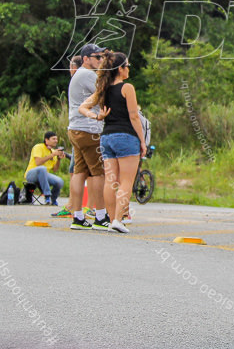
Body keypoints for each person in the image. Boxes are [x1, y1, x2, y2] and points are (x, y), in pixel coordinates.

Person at [79, 51, 146, 234]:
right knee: (126, 181)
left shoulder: (103, 89)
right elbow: (134, 116)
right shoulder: (127, 88)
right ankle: (118, 219)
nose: (129, 69)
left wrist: (97, 116)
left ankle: (110, 220)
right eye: (128, 66)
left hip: (106, 137)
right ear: (120, 69)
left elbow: (82, 107)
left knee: (111, 181)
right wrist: (142, 141)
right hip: (126, 137)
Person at [66, 43, 110, 230]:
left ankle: (77, 216)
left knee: (79, 173)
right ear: (86, 59)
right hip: (89, 129)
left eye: (102, 57)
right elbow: (106, 94)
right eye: (97, 57)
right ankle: (100, 216)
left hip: (76, 128)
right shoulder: (88, 75)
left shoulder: (80, 75)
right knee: (98, 173)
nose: (101, 60)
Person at [24, 131, 66, 205]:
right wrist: (52, 155)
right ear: (46, 140)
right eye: (53, 139)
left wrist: (58, 159)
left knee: (59, 181)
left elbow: (55, 169)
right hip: (31, 174)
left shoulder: (53, 152)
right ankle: (47, 196)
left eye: (56, 139)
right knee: (42, 168)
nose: (56, 141)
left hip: (44, 176)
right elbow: (38, 162)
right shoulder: (38, 147)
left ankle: (53, 200)